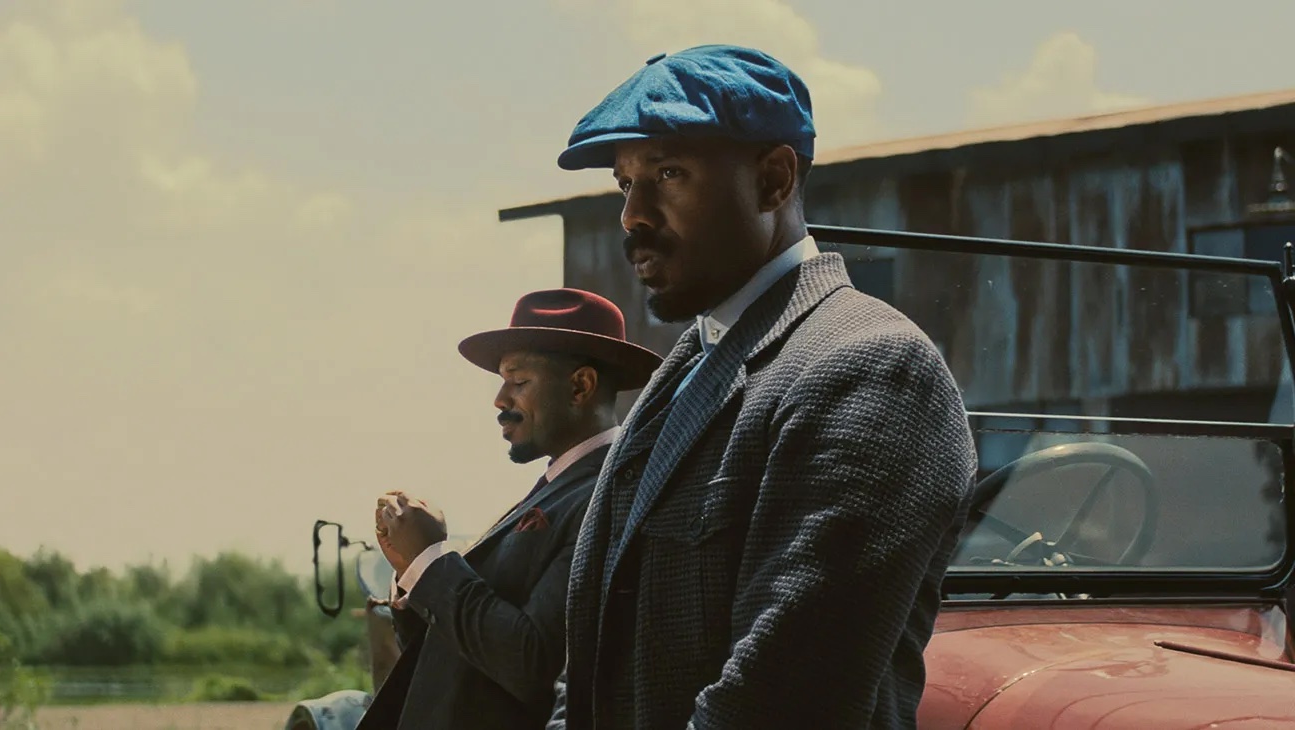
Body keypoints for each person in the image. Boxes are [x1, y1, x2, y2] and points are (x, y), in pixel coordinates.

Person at [546, 45, 978, 729]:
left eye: (667, 172)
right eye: (624, 183)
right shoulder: (685, 370)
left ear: (774, 179)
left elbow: (779, 703)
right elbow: (592, 665)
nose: (632, 214)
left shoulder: (868, 366)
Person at [356, 288, 663, 730]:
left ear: (580, 386)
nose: (500, 400)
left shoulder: (608, 495)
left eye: (518, 381)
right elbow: (466, 650)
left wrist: (430, 562)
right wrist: (412, 570)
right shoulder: (557, 490)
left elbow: (531, 661)